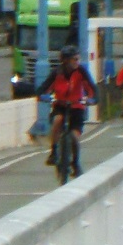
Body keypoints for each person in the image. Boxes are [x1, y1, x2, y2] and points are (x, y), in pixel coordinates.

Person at [38, 45, 98, 178]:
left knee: (74, 136)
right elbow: (44, 87)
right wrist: (43, 95)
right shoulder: (57, 72)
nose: (77, 61)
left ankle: (75, 164)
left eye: (78, 58)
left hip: (76, 107)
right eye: (74, 59)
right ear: (65, 61)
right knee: (57, 120)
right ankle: (54, 151)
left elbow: (92, 87)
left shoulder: (81, 71)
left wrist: (91, 99)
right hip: (61, 105)